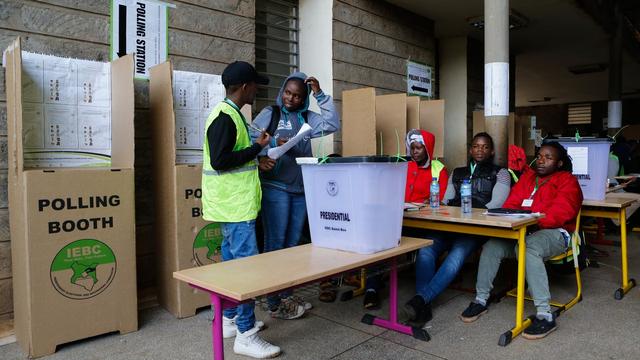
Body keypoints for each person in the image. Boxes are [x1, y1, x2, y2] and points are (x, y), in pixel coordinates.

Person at [460, 141, 583, 340]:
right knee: (492, 246)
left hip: (555, 233)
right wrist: (517, 220)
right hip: (524, 230)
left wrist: (533, 223)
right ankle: (481, 299)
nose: (541, 161)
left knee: (529, 247)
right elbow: (511, 204)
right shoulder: (528, 177)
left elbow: (562, 212)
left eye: (548, 158)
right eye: (540, 156)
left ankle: (544, 314)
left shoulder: (567, 180)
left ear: (559, 163)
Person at [202, 61, 280, 358]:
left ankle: (230, 319)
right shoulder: (225, 117)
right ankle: (246, 334)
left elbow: (229, 159)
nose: (257, 89)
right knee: (246, 272)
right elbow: (221, 160)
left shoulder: (230, 114)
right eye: (255, 85)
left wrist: (255, 161)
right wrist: (258, 148)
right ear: (245, 87)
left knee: (233, 268)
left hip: (230, 205)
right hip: (235, 207)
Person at [251, 72, 340, 319]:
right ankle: (273, 302)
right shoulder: (271, 113)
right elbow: (249, 139)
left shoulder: (308, 117)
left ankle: (285, 296)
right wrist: (269, 147)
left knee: (292, 247)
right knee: (275, 245)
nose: (291, 98)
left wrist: (320, 95)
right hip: (275, 187)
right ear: (282, 91)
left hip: (301, 189)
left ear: (303, 99)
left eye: (297, 95)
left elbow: (332, 124)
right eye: (288, 93)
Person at [402, 132, 511, 327]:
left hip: (474, 231)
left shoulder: (501, 173)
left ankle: (421, 299)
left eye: (485, 146)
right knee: (426, 249)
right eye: (476, 146)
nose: (480, 150)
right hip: (449, 226)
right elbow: (445, 201)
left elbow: (495, 205)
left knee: (457, 254)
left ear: (492, 150)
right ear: (470, 149)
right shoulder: (458, 172)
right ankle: (423, 305)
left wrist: (464, 213)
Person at [363, 129, 448, 310]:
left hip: (425, 222)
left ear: (428, 149)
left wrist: (430, 202)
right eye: (412, 147)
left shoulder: (439, 169)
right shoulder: (402, 164)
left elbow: (443, 200)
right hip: (400, 218)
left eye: (419, 148)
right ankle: (371, 289)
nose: (415, 151)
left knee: (427, 251)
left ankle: (421, 298)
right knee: (378, 241)